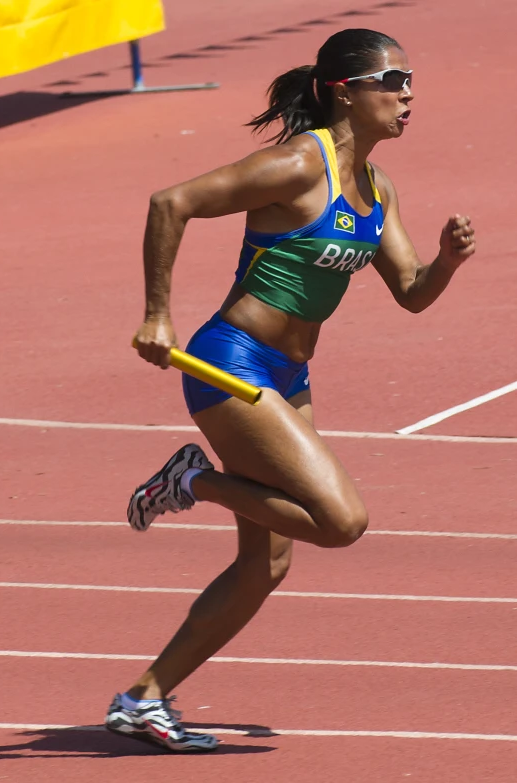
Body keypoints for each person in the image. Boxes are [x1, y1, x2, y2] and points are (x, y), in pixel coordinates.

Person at [105, 28, 476, 752]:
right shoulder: (297, 167)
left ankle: (141, 698)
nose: (407, 94)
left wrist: (448, 261)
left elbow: (410, 291)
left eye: (410, 80)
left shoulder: (376, 187)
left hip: (288, 376)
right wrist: (156, 313)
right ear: (345, 91)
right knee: (340, 521)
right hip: (232, 364)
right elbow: (169, 201)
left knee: (265, 564)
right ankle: (196, 482)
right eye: (391, 79)